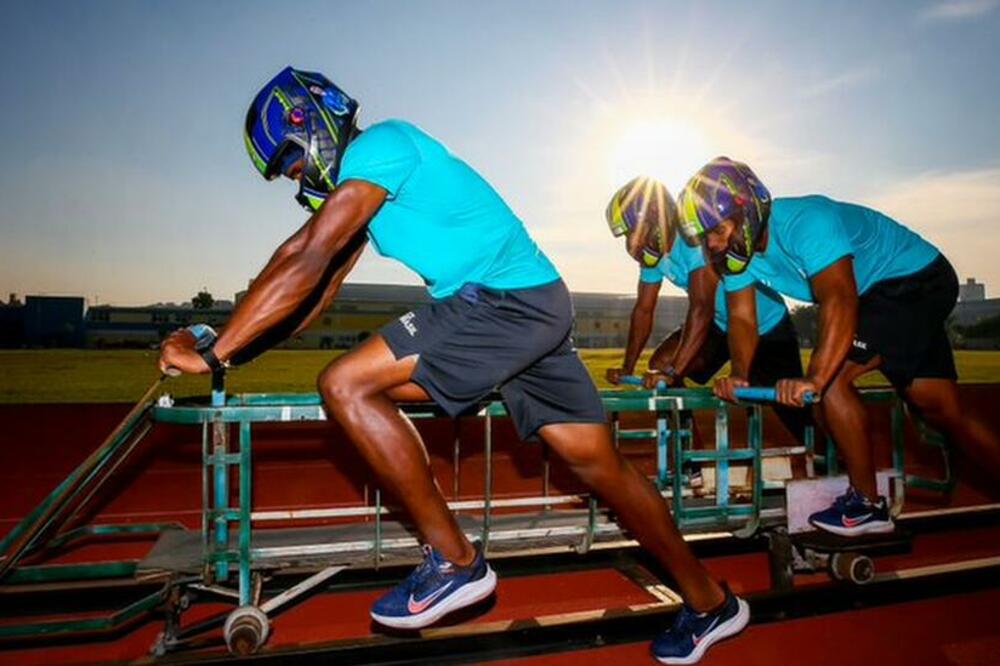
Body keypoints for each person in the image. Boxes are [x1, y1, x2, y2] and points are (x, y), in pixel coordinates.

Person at [158, 67, 747, 663]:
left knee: (347, 383)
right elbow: (318, 289)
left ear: (309, 123)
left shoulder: (380, 145)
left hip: (499, 302)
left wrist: (215, 352)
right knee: (600, 466)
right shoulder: (369, 189)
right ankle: (711, 602)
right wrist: (237, 344)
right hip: (532, 307)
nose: (295, 177)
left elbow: (304, 252)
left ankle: (457, 561)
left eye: (290, 161)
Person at [678, 156, 1000, 536]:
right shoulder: (738, 258)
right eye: (705, 237)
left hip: (911, 282)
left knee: (832, 383)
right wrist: (741, 375)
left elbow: (839, 300)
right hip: (878, 295)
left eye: (716, 230)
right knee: (941, 406)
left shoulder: (806, 222)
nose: (713, 244)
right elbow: (744, 320)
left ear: (746, 209)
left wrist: (815, 377)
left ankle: (868, 503)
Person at [604, 176, 811, 445]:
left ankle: (829, 461)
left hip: (764, 326)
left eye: (634, 232)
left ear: (657, 221)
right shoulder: (651, 256)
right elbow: (643, 310)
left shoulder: (693, 243)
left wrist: (673, 372)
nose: (631, 244)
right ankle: (691, 457)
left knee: (790, 409)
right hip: (720, 325)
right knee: (661, 365)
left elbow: (701, 309)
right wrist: (627, 367)